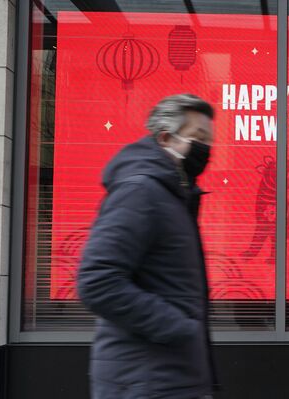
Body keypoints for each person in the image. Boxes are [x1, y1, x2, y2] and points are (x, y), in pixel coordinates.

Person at [77, 94, 217, 399]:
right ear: (166, 138)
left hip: (168, 376)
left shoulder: (175, 196)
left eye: (210, 140)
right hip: (145, 381)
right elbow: (97, 280)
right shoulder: (140, 192)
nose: (207, 149)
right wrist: (176, 327)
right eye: (199, 137)